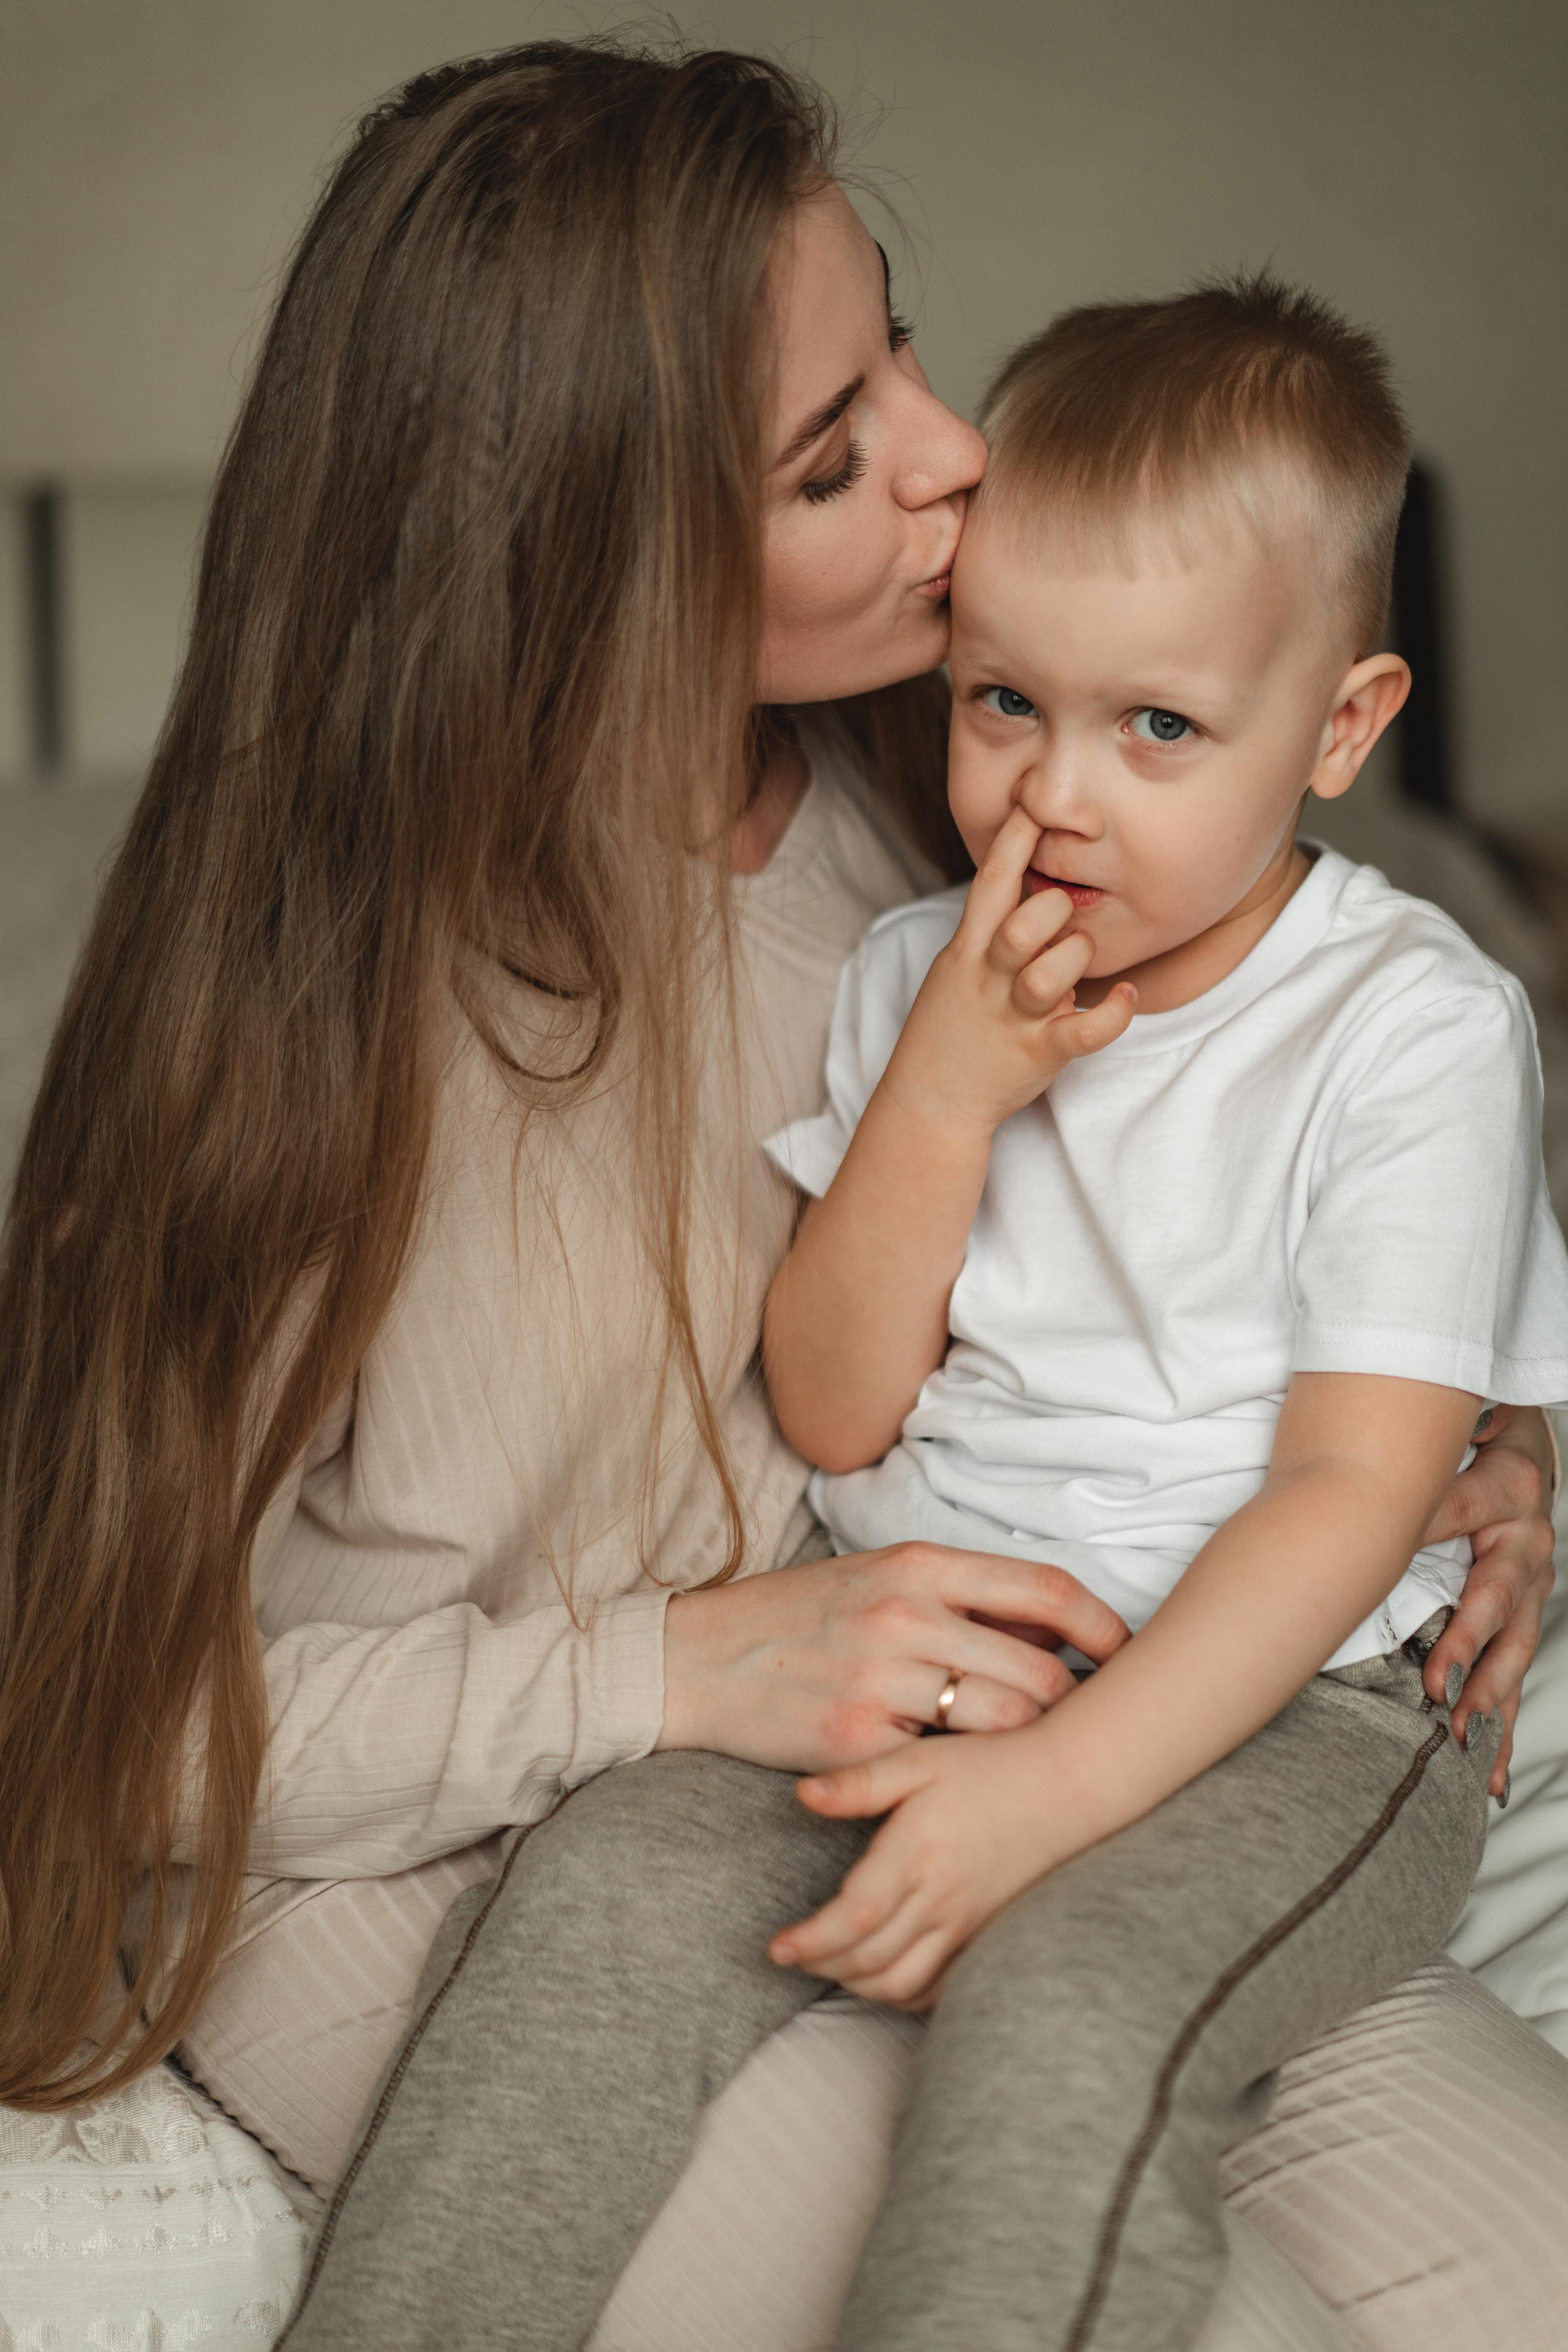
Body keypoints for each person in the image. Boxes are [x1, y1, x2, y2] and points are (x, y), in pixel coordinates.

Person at [0, 37, 1558, 2352]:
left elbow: (1250, 1149)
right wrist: (660, 1672)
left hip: (972, 1727)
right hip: (456, 1835)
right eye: (834, 460)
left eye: (902, 349)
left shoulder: (955, 800)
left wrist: (1482, 1442)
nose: (955, 461)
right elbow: (92, 1727)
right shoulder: (305, 1016)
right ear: (585, 563)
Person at [750, 277, 1568, 2345]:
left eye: (1163, 728)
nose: (1057, 801)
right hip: (949, 1644)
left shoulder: (1413, 1030)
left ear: (1349, 727)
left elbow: (1352, 1497)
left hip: (1278, 1691)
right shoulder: (918, 971)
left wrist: (1054, 1792)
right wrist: (945, 1080)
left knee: (1067, 2005)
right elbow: (836, 1415)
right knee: (592, 1916)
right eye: (1002, 701)